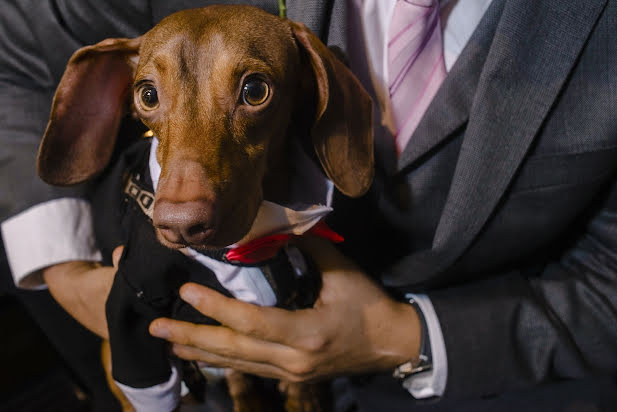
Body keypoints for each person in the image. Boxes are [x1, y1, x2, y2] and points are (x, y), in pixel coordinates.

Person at [1, 1, 616, 412]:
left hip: (467, 376)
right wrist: (64, 273)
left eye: (253, 90)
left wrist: (405, 339)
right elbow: (15, 51)